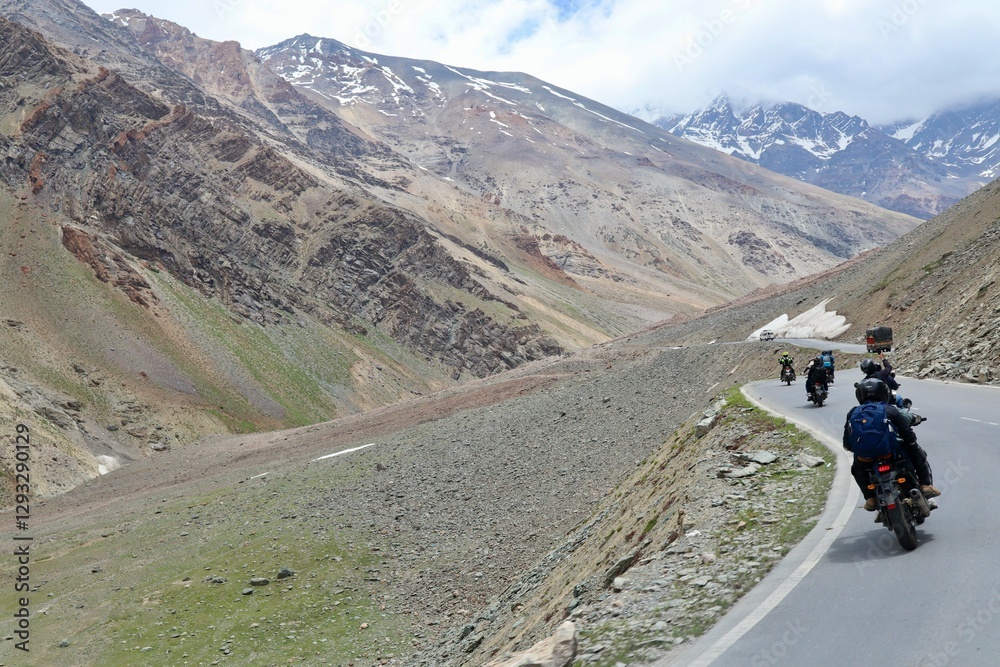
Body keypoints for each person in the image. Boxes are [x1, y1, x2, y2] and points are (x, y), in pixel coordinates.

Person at [843, 378, 940, 511]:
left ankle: (870, 499)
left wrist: (860, 450)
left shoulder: (853, 413)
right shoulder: (890, 409)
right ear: (884, 393)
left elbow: (847, 443)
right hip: (893, 454)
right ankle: (925, 486)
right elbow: (907, 433)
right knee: (919, 454)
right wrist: (911, 443)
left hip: (867, 459)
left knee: (856, 469)